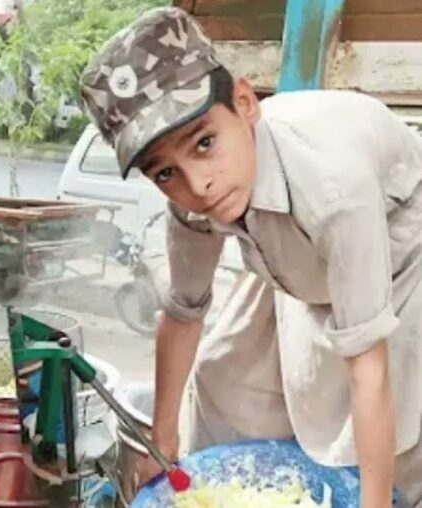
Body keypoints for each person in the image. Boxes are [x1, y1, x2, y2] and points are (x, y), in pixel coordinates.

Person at [79, 7, 422, 507]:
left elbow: (367, 367)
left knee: (396, 440)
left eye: (204, 143)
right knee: (223, 377)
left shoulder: (335, 190)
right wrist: (164, 439)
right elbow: (182, 312)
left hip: (399, 256)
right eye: (164, 173)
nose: (198, 184)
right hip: (293, 254)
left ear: (245, 103)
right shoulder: (201, 198)